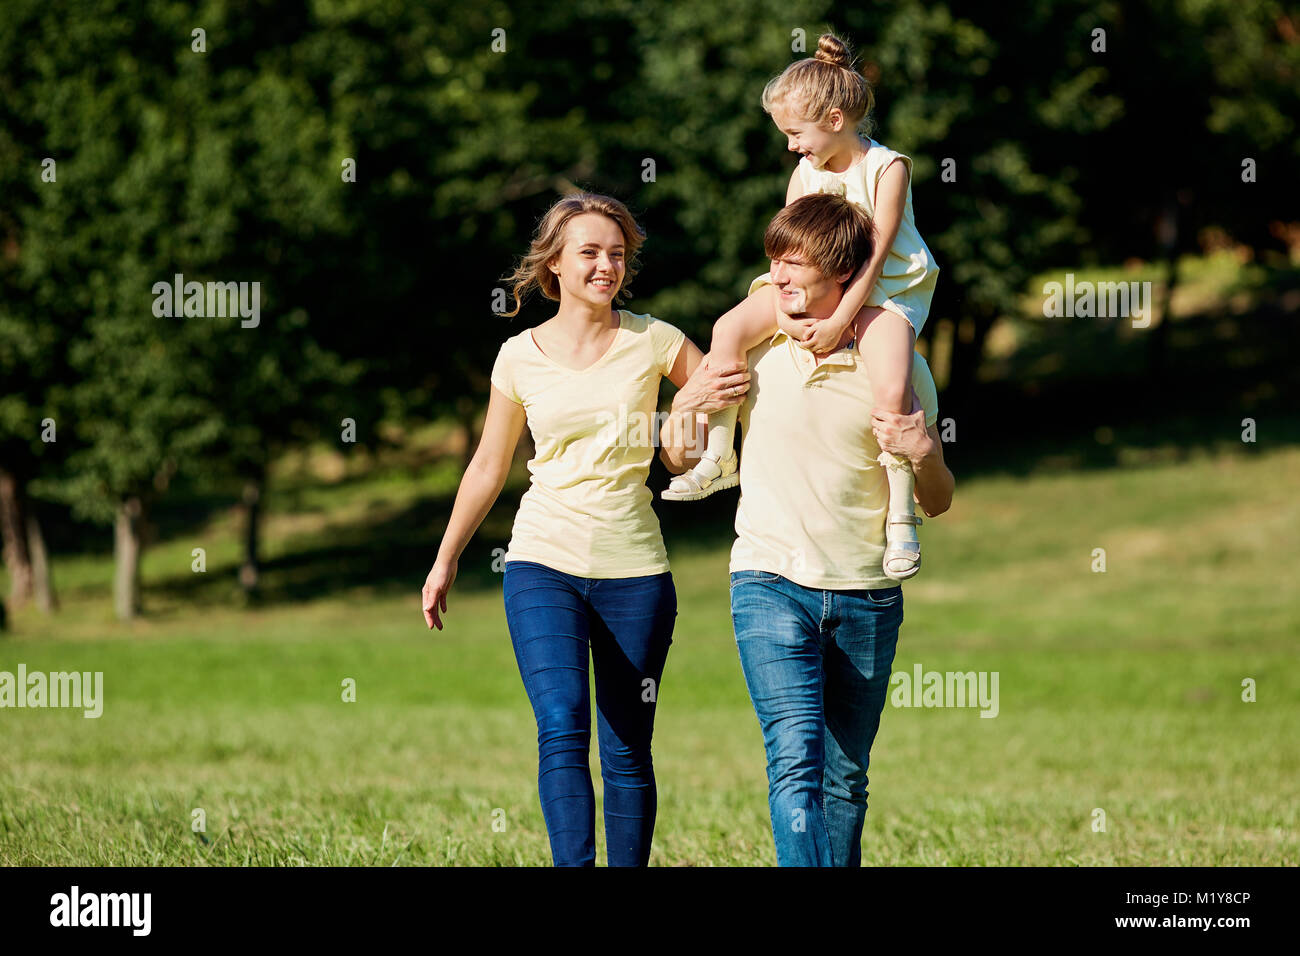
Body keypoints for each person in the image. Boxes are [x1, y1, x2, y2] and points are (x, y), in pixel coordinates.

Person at [420, 191, 748, 866]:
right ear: (555, 268)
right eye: (590, 253)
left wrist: (687, 421)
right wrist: (446, 556)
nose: (606, 266)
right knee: (562, 725)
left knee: (627, 742)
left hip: (636, 571)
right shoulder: (518, 356)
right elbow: (488, 465)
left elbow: (710, 413)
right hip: (542, 560)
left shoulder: (654, 339)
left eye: (617, 255)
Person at [659, 191, 954, 866]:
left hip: (868, 593)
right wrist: (689, 404)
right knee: (795, 758)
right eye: (777, 263)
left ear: (844, 275)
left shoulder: (897, 363)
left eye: (799, 265)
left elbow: (937, 501)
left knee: (846, 774)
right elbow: (678, 457)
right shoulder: (757, 351)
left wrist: (924, 453)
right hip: (768, 582)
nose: (781, 279)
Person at [662, 32, 939, 584]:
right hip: (817, 283)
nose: (791, 146)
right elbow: (794, 247)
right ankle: (720, 452)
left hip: (882, 290)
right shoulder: (805, 173)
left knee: (891, 390)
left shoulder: (887, 168)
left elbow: (877, 255)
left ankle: (901, 513)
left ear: (835, 119)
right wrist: (785, 311)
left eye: (796, 134)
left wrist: (840, 320)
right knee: (729, 328)